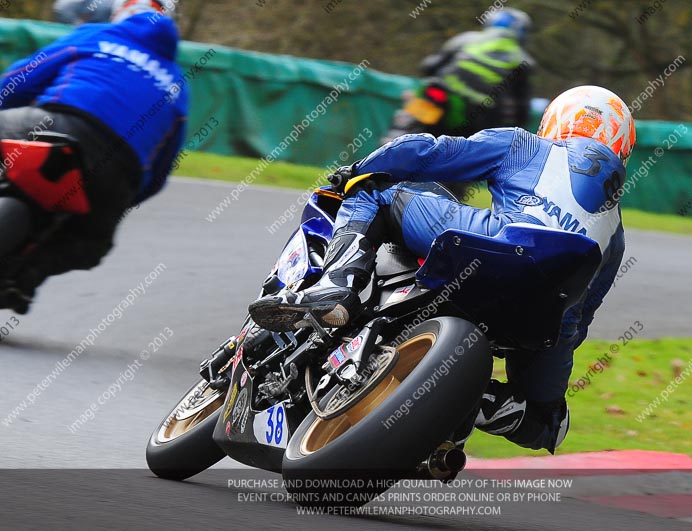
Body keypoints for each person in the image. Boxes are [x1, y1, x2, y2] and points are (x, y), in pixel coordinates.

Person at [249, 85, 636, 453]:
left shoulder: (527, 145)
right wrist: (541, 367)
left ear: (555, 121)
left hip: (497, 246)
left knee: (375, 193)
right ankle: (479, 399)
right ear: (623, 147)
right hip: (545, 314)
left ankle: (338, 286)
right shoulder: (616, 233)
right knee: (548, 423)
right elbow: (579, 321)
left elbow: (430, 152)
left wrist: (358, 168)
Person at [0, 0, 187, 313]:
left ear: (119, 13)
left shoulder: (95, 35)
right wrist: (120, 200)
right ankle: (22, 279)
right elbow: (159, 173)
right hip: (117, 172)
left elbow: (20, 79)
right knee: (91, 244)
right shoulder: (179, 84)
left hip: (52, 125)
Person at [418, 7, 535, 137]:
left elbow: (429, 65)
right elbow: (521, 107)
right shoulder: (523, 58)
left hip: (442, 95)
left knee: (424, 101)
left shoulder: (466, 38)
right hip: (479, 113)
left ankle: (399, 134)